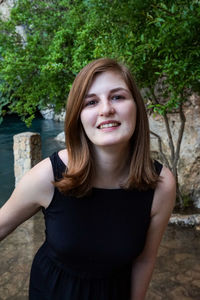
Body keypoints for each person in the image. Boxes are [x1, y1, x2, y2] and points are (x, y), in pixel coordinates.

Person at [0, 58, 176, 300]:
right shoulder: (48, 175)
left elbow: (145, 259)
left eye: (117, 97)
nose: (106, 109)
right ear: (78, 117)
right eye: (91, 102)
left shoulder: (161, 185)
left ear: (136, 106)